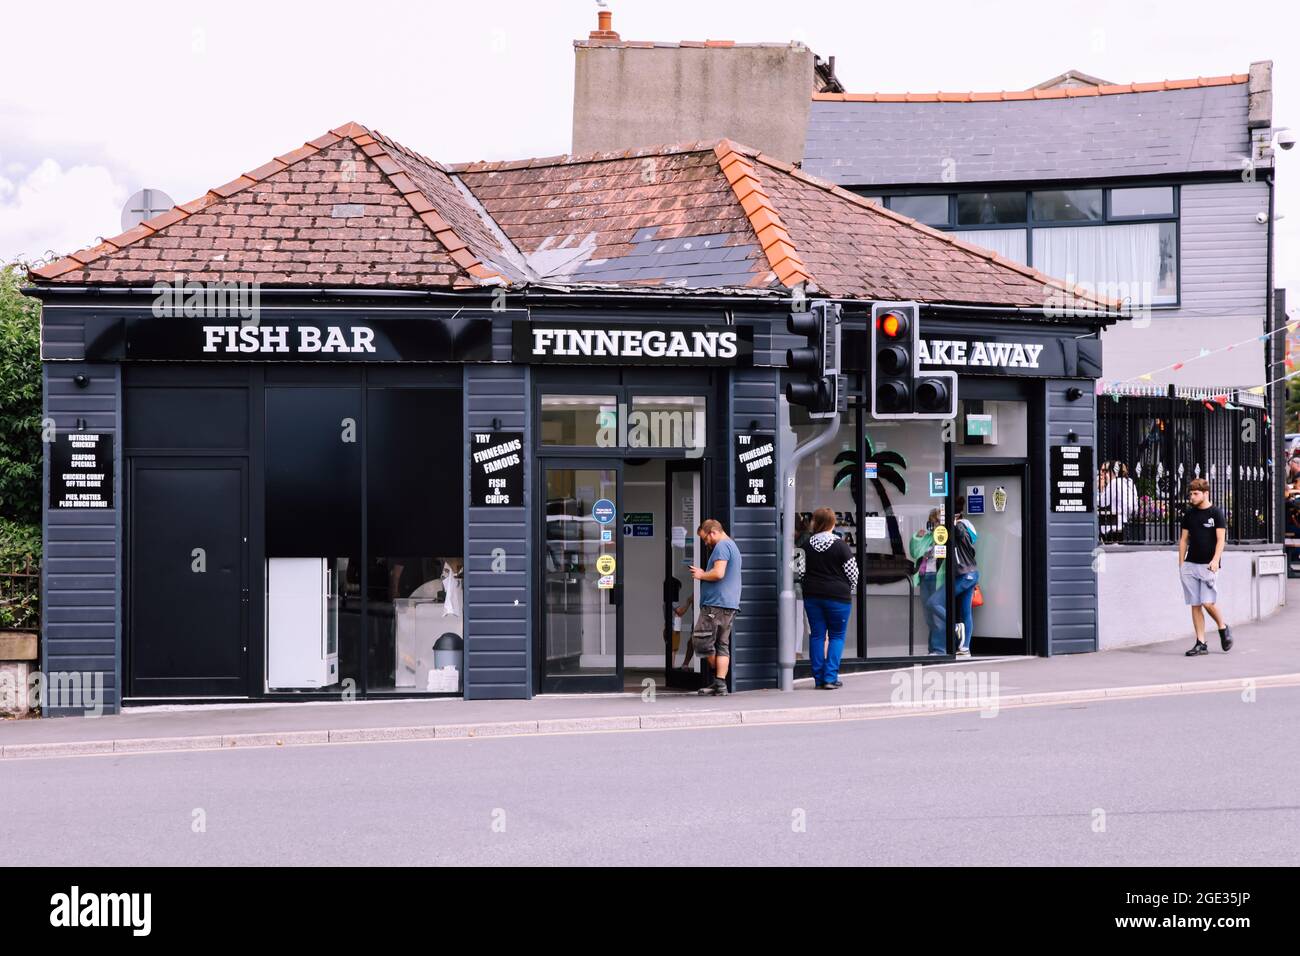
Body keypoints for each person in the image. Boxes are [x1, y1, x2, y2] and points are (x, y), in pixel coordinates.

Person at [800, 507, 859, 689]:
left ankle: (818, 678)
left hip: (812, 596)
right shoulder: (840, 545)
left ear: (815, 522)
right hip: (838, 597)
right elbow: (853, 573)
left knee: (817, 636)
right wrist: (849, 588)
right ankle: (830, 678)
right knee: (837, 636)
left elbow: (800, 572)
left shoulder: (806, 545)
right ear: (832, 523)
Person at [690, 519, 743, 696]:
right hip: (729, 604)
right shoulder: (732, 546)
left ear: (713, 532)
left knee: (701, 641)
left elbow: (719, 573)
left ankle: (719, 682)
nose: (706, 543)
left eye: (705, 538)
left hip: (716, 605)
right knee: (721, 644)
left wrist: (701, 574)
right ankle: (720, 684)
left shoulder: (721, 546)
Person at [1180, 478, 1231, 656]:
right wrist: (1181, 564)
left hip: (1209, 566)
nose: (1191, 497)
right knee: (1195, 604)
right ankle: (1201, 643)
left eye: (1195, 494)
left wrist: (1216, 560)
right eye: (1191, 494)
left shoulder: (1216, 513)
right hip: (1191, 565)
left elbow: (1220, 540)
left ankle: (1223, 627)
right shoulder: (1189, 514)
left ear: (1205, 493)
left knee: (1207, 603)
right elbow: (1184, 539)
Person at [909, 508, 948, 655]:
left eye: (937, 521)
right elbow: (914, 552)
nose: (935, 525)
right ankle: (933, 648)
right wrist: (917, 538)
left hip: (940, 578)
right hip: (926, 577)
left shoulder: (946, 537)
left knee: (937, 614)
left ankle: (940, 649)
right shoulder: (927, 537)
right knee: (928, 616)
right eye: (932, 522)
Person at [951, 496, 979, 657]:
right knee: (965, 611)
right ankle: (964, 648)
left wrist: (954, 526)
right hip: (969, 573)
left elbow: (966, 545)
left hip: (965, 574)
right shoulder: (966, 526)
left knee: (941, 600)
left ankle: (956, 629)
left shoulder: (960, 527)